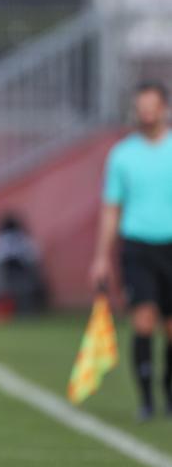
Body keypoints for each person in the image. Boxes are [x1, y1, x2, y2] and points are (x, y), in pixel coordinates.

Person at [90, 81, 172, 421]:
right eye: (142, 108)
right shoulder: (122, 155)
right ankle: (146, 399)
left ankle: (169, 391)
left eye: (153, 107)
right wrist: (100, 257)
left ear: (164, 108)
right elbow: (111, 208)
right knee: (143, 321)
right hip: (137, 246)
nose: (147, 114)